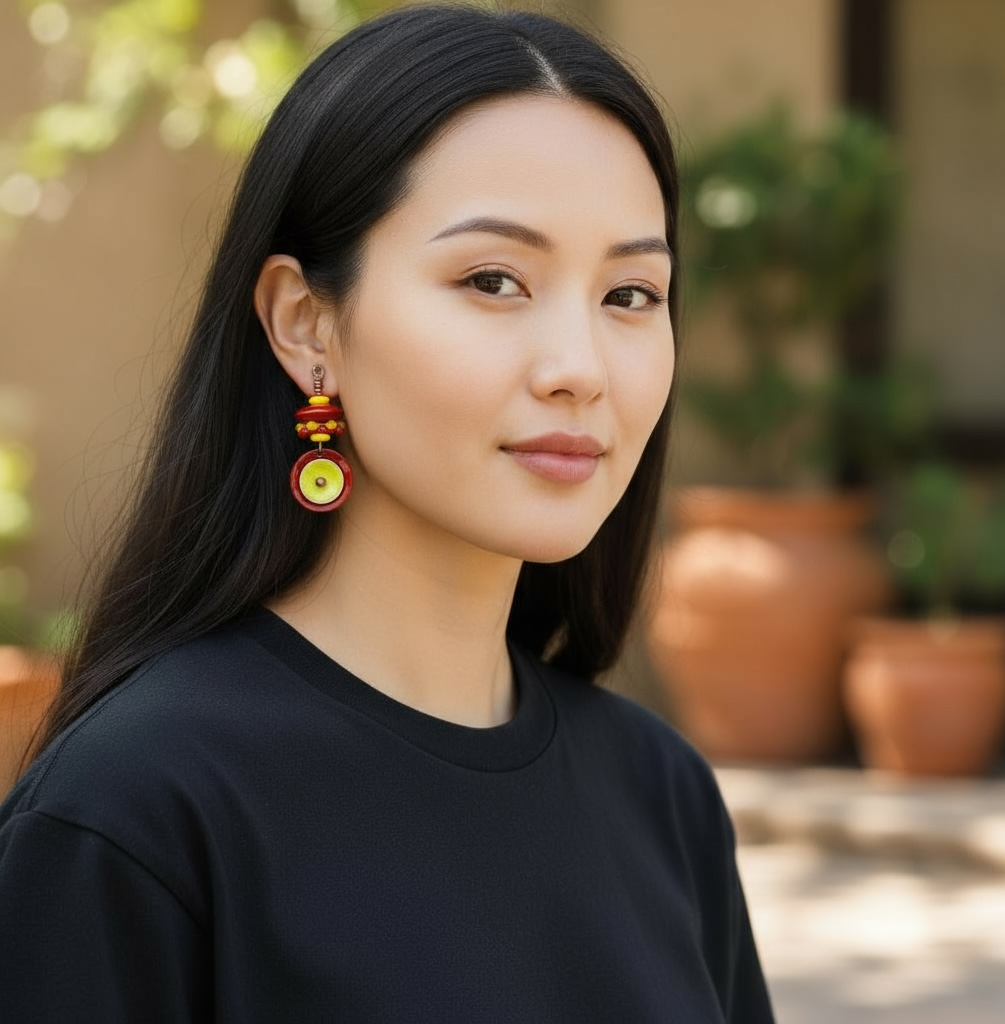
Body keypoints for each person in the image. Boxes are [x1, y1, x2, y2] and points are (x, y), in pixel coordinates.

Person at [0, 4, 774, 1021]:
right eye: (493, 280)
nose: (580, 369)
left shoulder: (658, 791)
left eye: (630, 295)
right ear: (304, 322)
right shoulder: (136, 811)